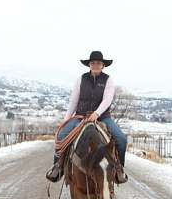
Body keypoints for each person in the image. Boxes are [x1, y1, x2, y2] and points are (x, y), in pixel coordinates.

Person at [46, 51, 128, 184]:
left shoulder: (108, 80)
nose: (95, 65)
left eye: (98, 63)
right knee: (61, 135)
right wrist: (67, 119)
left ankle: (119, 168)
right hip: (81, 116)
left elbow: (107, 99)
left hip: (102, 117)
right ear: (89, 65)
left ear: (103, 65)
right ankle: (58, 165)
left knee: (121, 139)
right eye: (93, 63)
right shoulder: (81, 79)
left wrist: (97, 113)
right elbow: (74, 100)